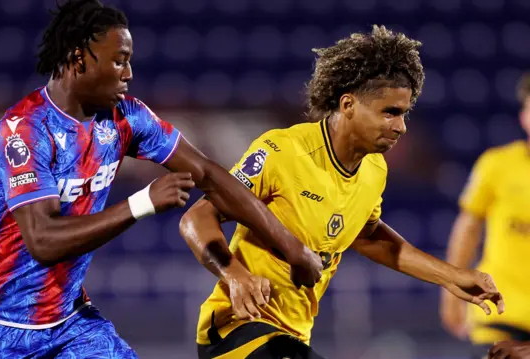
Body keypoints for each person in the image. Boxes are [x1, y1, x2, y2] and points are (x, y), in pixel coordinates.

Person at [0, 1, 323, 358]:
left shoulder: (125, 117)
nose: (128, 74)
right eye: (119, 61)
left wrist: (289, 245)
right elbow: (43, 241)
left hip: (69, 322)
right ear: (80, 57)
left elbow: (207, 173)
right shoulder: (24, 131)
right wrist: (141, 203)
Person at [179, 25, 506, 359]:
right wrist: (235, 276)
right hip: (237, 328)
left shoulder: (374, 170)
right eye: (390, 112)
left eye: (404, 114)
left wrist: (451, 277)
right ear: (348, 104)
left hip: (292, 337)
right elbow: (198, 217)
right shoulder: (283, 151)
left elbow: (369, 237)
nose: (400, 126)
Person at [441, 72, 530, 359]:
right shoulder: (497, 165)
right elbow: (467, 229)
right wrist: (452, 293)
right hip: (502, 315)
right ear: (523, 116)